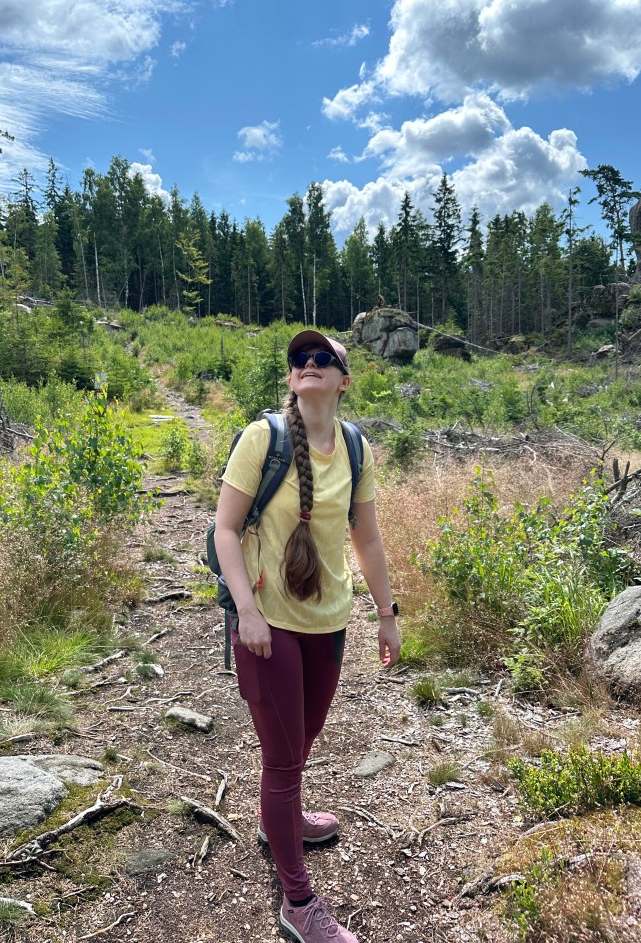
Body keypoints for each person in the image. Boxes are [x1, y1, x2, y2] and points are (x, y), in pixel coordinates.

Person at [214, 329, 401, 943]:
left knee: (304, 739)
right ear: (292, 377)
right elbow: (224, 530)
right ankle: (297, 901)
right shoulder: (261, 439)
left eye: (324, 358)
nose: (310, 364)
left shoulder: (355, 447)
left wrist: (386, 614)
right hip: (267, 626)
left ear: (344, 381)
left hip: (329, 623)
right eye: (301, 359)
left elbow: (366, 538)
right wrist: (246, 610)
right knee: (284, 757)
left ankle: (279, 823)